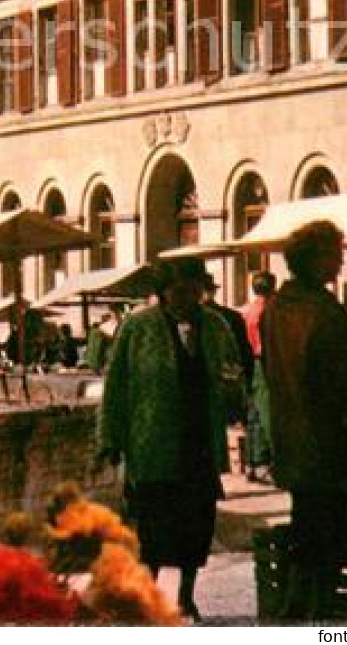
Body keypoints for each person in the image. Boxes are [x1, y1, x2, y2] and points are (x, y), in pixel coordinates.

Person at [262, 221, 347, 620]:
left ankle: (303, 612)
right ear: (316, 258)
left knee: (309, 529)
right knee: (326, 540)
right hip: (331, 445)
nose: (341, 263)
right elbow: (346, 379)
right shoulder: (320, 311)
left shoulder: (278, 308)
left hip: (293, 439)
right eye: (335, 255)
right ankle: (313, 617)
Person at [98, 258, 239, 620]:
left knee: (197, 526)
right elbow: (115, 387)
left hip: (200, 444)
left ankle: (186, 597)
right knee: (156, 527)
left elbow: (233, 372)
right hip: (153, 444)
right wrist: (110, 439)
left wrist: (232, 393)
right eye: (179, 291)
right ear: (163, 293)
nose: (187, 298)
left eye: (194, 290)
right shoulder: (137, 328)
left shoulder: (216, 326)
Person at [241, 271, 277, 482]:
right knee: (267, 411)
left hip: (252, 361)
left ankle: (252, 461)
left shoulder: (248, 310)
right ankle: (265, 461)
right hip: (265, 361)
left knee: (254, 413)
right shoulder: (269, 312)